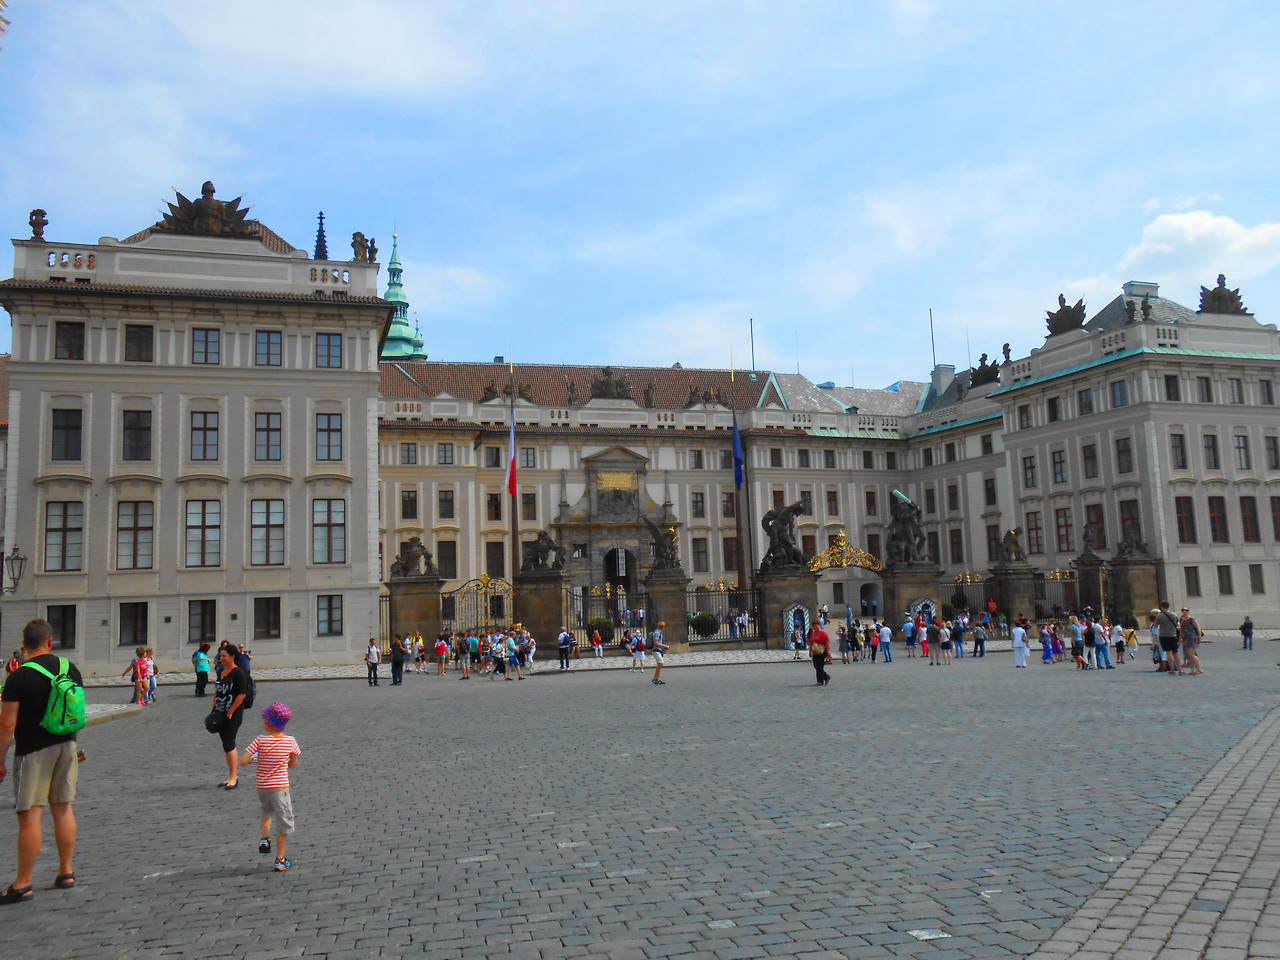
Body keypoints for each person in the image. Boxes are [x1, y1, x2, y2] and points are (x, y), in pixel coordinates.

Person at [0, 619, 84, 904]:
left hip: (33, 751)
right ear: (51, 642)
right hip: (67, 744)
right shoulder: (68, 668)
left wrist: (0, 759)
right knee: (63, 808)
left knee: (30, 815)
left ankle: (23, 882)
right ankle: (66, 871)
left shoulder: (18, 676)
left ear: (24, 645)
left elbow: (7, 724)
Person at [239, 702, 301, 873]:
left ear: (269, 723)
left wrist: (255, 759)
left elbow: (243, 761)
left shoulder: (259, 740)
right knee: (283, 822)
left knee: (266, 813)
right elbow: (293, 765)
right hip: (280, 788)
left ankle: (264, 839)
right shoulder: (290, 741)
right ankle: (280, 859)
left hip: (262, 787)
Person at [213, 647, 249, 789]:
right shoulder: (221, 672)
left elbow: (241, 694)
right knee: (225, 743)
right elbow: (217, 693)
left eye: (224, 656)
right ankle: (230, 775)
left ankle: (234, 777)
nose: (221, 658)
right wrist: (214, 710)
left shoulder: (239, 673)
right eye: (220, 656)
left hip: (233, 713)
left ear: (232, 656)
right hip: (220, 711)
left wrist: (230, 711)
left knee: (229, 742)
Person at [1153, 602, 1181, 676]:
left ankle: (1172, 670)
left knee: (1169, 653)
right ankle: (1180, 669)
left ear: (1162, 607)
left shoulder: (1159, 616)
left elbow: (1155, 626)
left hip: (1164, 636)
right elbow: (1178, 624)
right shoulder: (1174, 615)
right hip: (1173, 635)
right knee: (1175, 652)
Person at [1179, 607, 1204, 675]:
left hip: (1193, 638)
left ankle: (1199, 668)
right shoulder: (1181, 619)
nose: (1185, 611)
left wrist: (1199, 637)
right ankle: (1192, 670)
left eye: (1186, 610)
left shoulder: (1192, 620)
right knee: (1188, 655)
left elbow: (1198, 628)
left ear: (1188, 611)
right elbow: (1181, 630)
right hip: (1185, 639)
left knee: (1191, 654)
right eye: (1183, 610)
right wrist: (1180, 638)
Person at [808, 621, 832, 686]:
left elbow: (827, 643)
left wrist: (828, 652)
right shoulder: (813, 633)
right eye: (814, 626)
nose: (815, 627)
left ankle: (820, 681)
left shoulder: (823, 633)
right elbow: (811, 642)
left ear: (819, 625)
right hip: (815, 652)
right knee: (816, 665)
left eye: (816, 625)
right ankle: (826, 677)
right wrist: (810, 651)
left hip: (822, 651)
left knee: (820, 666)